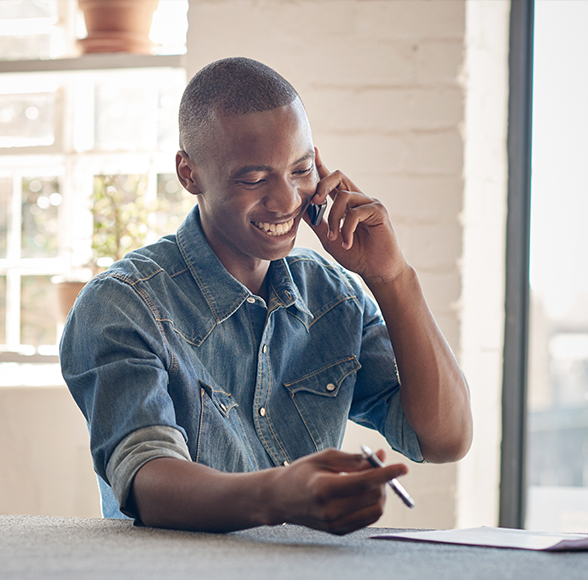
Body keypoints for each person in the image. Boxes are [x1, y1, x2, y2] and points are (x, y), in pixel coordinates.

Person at [60, 57, 472, 535]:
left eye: (300, 171)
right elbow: (147, 478)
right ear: (188, 174)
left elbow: (444, 439)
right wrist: (279, 495)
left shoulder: (332, 296)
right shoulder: (122, 305)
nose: (287, 201)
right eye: (254, 179)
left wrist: (393, 277)